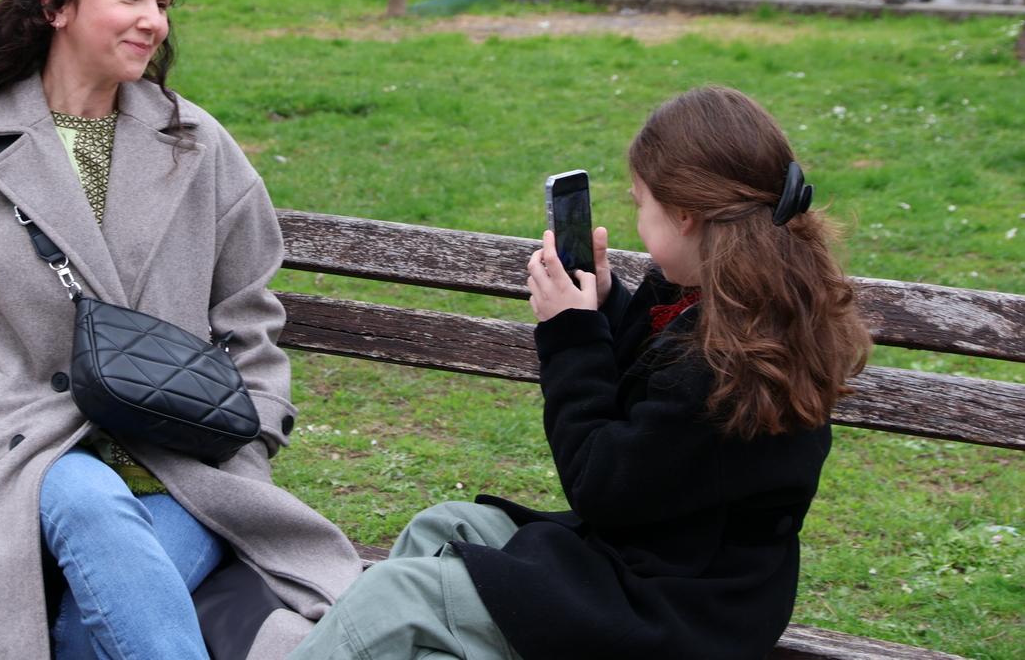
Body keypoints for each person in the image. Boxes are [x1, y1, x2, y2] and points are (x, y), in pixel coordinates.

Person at [0, 0, 361, 660]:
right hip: (30, 454)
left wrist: (254, 429)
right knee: (87, 496)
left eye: (162, 2)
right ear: (55, 2)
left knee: (83, 625)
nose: (153, 21)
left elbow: (249, 312)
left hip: (186, 463)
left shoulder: (199, 146)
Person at [290, 85, 872, 660]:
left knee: (396, 594)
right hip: (655, 563)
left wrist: (569, 337)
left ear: (686, 217)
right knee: (442, 529)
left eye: (640, 203)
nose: (636, 218)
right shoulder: (731, 303)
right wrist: (606, 302)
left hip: (675, 613)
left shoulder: (726, 360)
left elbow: (601, 483)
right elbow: (654, 390)